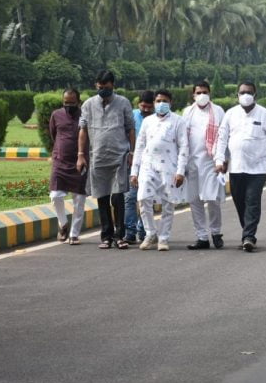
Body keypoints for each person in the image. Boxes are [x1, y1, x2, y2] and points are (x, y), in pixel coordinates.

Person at [215, 82, 266, 252]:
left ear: (255, 95)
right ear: (237, 95)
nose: (245, 95)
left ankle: (249, 236)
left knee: (252, 201)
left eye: (249, 92)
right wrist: (219, 160)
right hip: (236, 167)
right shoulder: (230, 114)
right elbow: (222, 139)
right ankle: (247, 231)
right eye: (242, 92)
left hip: (258, 168)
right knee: (239, 202)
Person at [77, 70, 135, 250]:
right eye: (100, 87)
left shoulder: (123, 102)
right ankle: (106, 236)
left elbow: (130, 129)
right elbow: (83, 130)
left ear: (113, 85)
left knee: (118, 197)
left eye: (107, 87)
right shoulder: (88, 104)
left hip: (119, 156)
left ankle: (120, 236)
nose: (103, 90)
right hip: (98, 157)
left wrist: (132, 152)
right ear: (96, 85)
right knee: (102, 198)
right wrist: (80, 155)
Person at [130, 89, 188, 251]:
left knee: (168, 204)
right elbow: (140, 146)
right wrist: (134, 171)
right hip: (148, 167)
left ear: (171, 103)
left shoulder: (178, 121)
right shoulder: (148, 121)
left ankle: (163, 238)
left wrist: (180, 171)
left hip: (169, 168)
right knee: (143, 199)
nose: (161, 104)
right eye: (158, 101)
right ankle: (150, 233)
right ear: (154, 103)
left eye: (165, 101)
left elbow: (184, 147)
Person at [184, 81, 226, 250]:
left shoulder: (218, 111)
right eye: (198, 92)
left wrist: (222, 160)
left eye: (205, 92)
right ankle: (202, 237)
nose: (202, 95)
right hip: (192, 162)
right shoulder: (188, 112)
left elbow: (223, 137)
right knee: (194, 200)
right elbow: (183, 137)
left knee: (212, 199)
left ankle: (216, 233)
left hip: (211, 161)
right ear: (193, 95)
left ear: (210, 93)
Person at [49, 88, 87, 245]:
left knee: (79, 200)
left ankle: (74, 234)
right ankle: (63, 224)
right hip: (60, 161)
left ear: (78, 102)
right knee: (55, 195)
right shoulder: (56, 115)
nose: (68, 105)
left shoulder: (85, 116)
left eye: (72, 103)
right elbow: (53, 134)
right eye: (66, 102)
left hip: (80, 161)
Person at [123, 90, 154, 244]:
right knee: (130, 198)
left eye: (149, 107)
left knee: (146, 199)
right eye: (143, 106)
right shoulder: (131, 116)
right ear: (138, 104)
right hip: (132, 162)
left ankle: (144, 231)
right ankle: (130, 231)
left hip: (152, 165)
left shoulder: (159, 119)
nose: (146, 110)